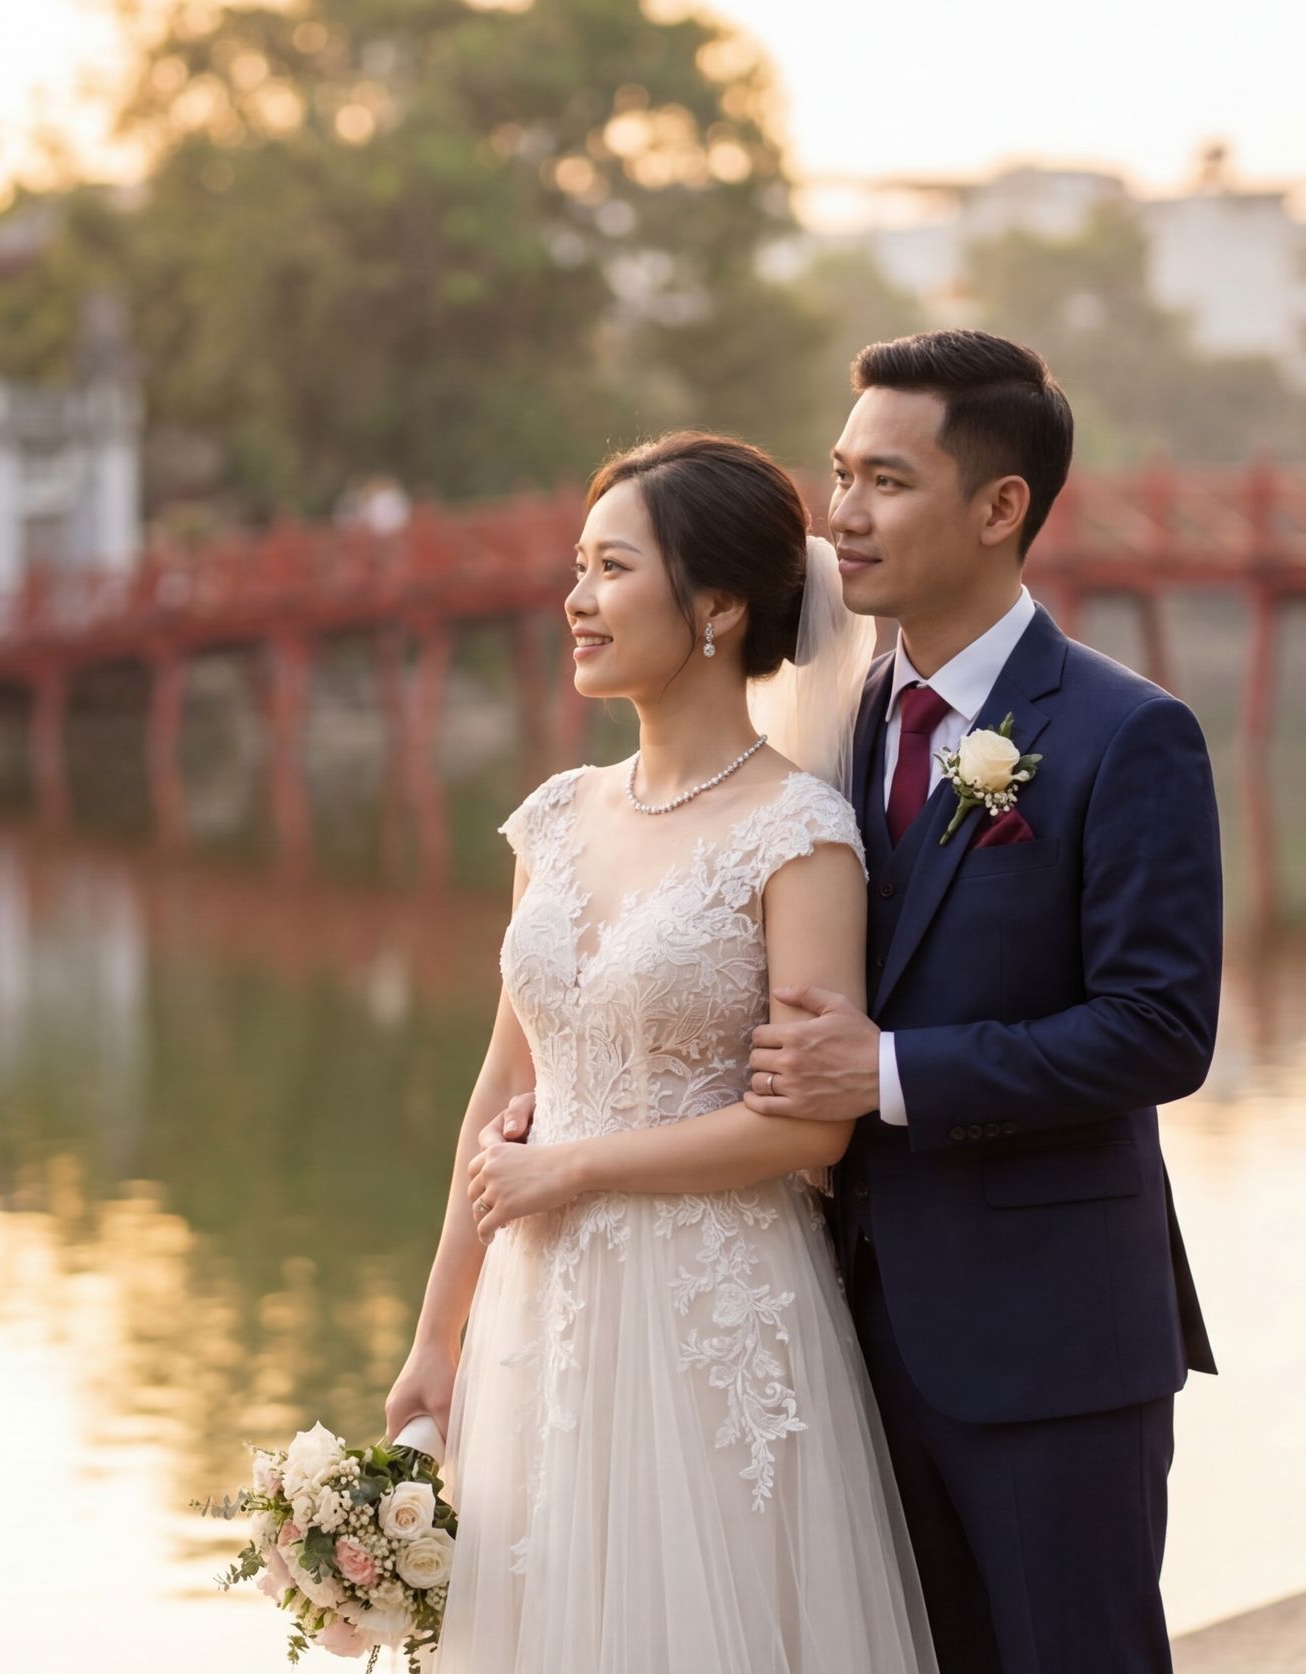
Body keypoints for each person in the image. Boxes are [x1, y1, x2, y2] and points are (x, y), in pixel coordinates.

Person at [383, 432, 935, 1673]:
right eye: (576, 568)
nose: (575, 600)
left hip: (712, 1314)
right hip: (542, 1313)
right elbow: (505, 1092)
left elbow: (810, 1127)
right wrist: (436, 1342)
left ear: (719, 607)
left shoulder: (800, 835)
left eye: (610, 568)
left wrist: (576, 1171)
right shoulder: (557, 817)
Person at [742, 329, 1222, 1673]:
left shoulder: (1128, 736)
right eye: (839, 474)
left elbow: (1160, 1030)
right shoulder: (830, 725)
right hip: (855, 1335)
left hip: (1054, 1346)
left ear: (1001, 505)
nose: (843, 513)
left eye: (886, 481)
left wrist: (888, 1073)